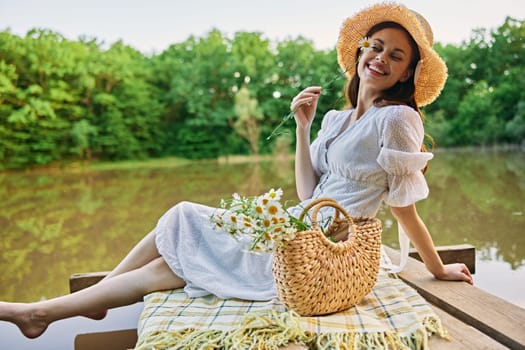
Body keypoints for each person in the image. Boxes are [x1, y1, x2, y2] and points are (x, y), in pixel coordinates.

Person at [0, 2, 472, 347]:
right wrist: (303, 128)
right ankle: (73, 305)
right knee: (178, 238)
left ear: (408, 73)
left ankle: (51, 310)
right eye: (377, 46)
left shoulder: (398, 119)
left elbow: (403, 206)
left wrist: (436, 268)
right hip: (300, 223)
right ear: (360, 51)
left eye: (397, 56)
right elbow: (309, 191)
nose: (381, 59)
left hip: (322, 252)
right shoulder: (335, 120)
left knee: (180, 233)